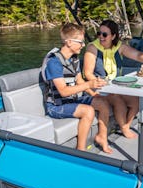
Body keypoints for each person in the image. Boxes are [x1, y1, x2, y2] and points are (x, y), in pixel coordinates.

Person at [42, 23, 113, 153]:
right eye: (80, 42)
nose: (83, 45)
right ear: (68, 42)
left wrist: (94, 94)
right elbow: (63, 91)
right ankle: (80, 150)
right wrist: (89, 84)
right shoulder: (54, 62)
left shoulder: (74, 59)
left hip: (72, 100)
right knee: (88, 111)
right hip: (56, 106)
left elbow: (79, 80)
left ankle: (102, 137)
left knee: (103, 102)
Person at [83, 19, 143, 139]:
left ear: (113, 36)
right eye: (99, 33)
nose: (101, 37)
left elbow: (137, 55)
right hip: (98, 87)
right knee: (118, 101)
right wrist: (102, 84)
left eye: (105, 34)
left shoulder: (119, 47)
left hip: (116, 87)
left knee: (136, 101)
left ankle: (126, 125)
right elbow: (88, 74)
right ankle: (124, 129)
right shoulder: (92, 49)